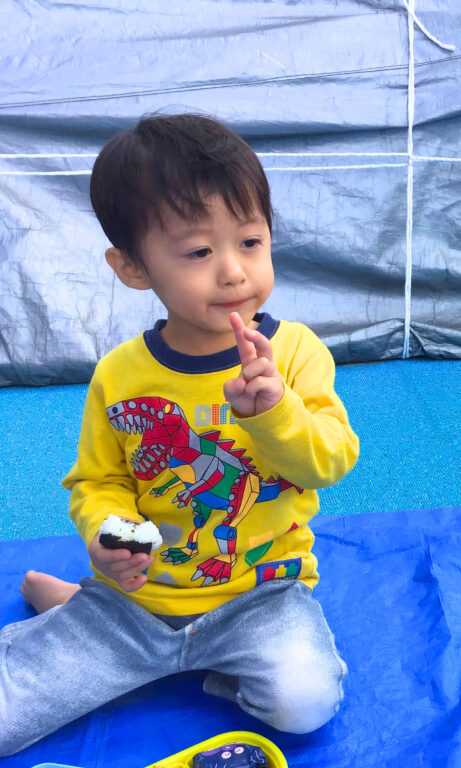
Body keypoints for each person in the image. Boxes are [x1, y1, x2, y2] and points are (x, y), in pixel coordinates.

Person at [0, 113, 360, 756]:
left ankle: (169, 655)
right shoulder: (121, 375)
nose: (233, 272)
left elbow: (329, 461)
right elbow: (99, 482)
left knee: (304, 704)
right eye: (199, 252)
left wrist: (273, 412)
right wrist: (107, 535)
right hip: (131, 608)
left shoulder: (298, 353)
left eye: (250, 242)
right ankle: (80, 609)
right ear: (133, 267)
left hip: (259, 599)